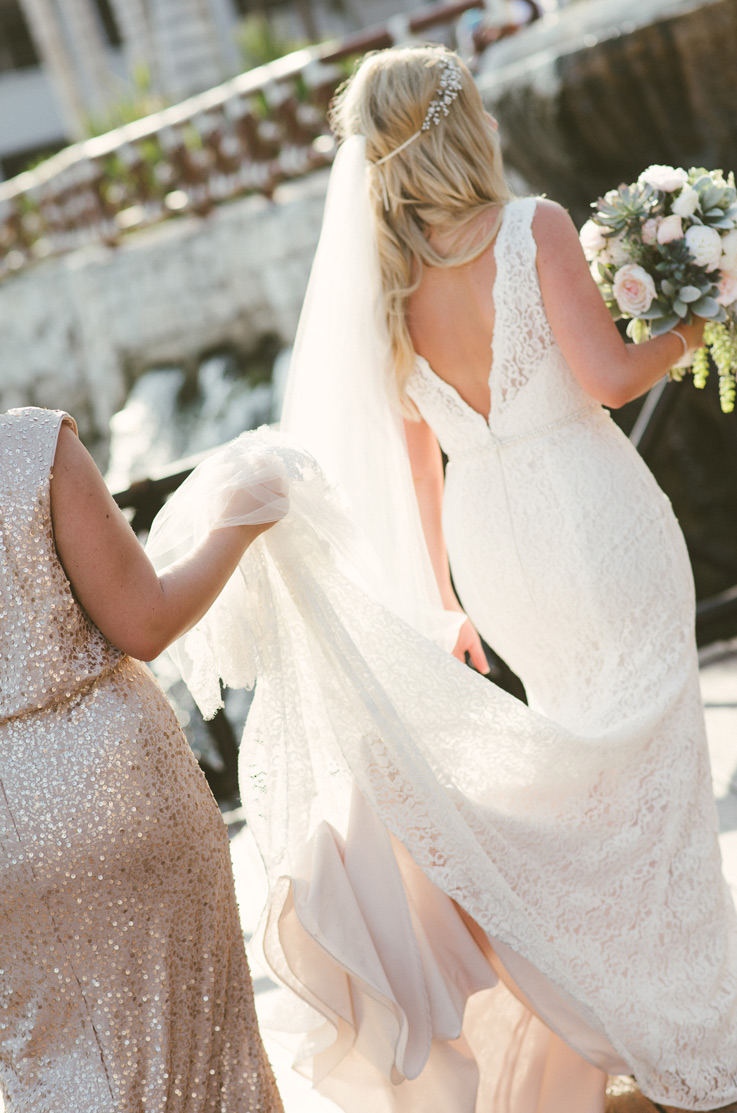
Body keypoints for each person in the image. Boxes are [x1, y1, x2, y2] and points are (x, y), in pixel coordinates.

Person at [147, 45, 737, 1113]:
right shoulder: (532, 229)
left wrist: (442, 600)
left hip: (493, 547)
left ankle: (599, 1000)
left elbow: (418, 466)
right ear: (466, 128)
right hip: (589, 518)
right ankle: (678, 1015)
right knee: (646, 757)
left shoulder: (390, 288)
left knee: (578, 754)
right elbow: (604, 380)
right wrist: (693, 324)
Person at [0, 406, 286, 1112]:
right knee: (199, 1059)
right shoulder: (32, 447)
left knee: (52, 1071)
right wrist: (239, 522)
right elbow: (144, 620)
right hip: (118, 784)